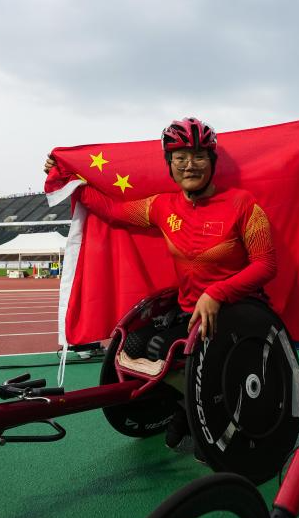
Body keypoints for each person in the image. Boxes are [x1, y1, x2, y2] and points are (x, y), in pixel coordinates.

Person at [44, 117, 277, 453]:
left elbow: (266, 265)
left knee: (192, 358)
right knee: (150, 347)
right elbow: (112, 210)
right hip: (189, 315)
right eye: (180, 158)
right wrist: (71, 181)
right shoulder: (162, 206)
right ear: (170, 165)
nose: (190, 165)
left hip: (239, 314)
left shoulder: (244, 205)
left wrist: (217, 293)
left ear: (212, 162)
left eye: (199, 156)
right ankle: (185, 403)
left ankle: (202, 406)